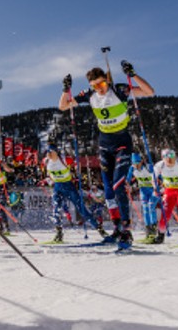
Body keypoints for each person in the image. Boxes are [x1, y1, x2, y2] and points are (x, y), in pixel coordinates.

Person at [58, 61, 155, 247]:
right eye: (95, 86)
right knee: (109, 191)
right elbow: (63, 106)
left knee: (118, 185)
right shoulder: (90, 95)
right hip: (104, 144)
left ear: (107, 81)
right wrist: (65, 89)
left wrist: (133, 75)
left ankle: (126, 230)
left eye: (102, 84)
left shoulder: (119, 90)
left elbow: (149, 91)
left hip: (122, 142)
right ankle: (117, 227)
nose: (100, 89)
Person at [44, 148, 106, 243]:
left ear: (56, 152)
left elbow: (77, 164)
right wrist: (49, 181)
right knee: (56, 210)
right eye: (47, 152)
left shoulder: (65, 160)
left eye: (51, 152)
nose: (49, 154)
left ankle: (100, 229)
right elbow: (47, 174)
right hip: (57, 186)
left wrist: (77, 171)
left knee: (82, 209)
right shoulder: (46, 161)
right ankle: (59, 233)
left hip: (69, 186)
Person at [127, 152, 161, 243]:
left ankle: (154, 230)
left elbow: (160, 175)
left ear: (141, 161)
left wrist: (162, 184)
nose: (136, 165)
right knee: (145, 209)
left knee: (151, 207)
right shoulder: (132, 168)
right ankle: (148, 232)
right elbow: (128, 179)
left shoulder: (148, 167)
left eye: (138, 163)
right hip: (143, 191)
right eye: (134, 163)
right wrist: (127, 185)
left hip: (154, 190)